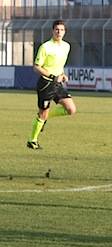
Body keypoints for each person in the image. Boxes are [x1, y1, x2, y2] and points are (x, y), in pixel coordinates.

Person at [27, 19, 76, 150]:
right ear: (52, 31)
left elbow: (59, 65)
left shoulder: (66, 46)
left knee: (71, 109)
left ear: (65, 32)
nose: (59, 32)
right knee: (42, 113)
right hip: (45, 84)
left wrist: (62, 74)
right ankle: (32, 141)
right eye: (57, 30)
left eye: (62, 30)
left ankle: (45, 117)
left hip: (57, 84)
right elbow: (36, 67)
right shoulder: (45, 47)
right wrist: (53, 76)